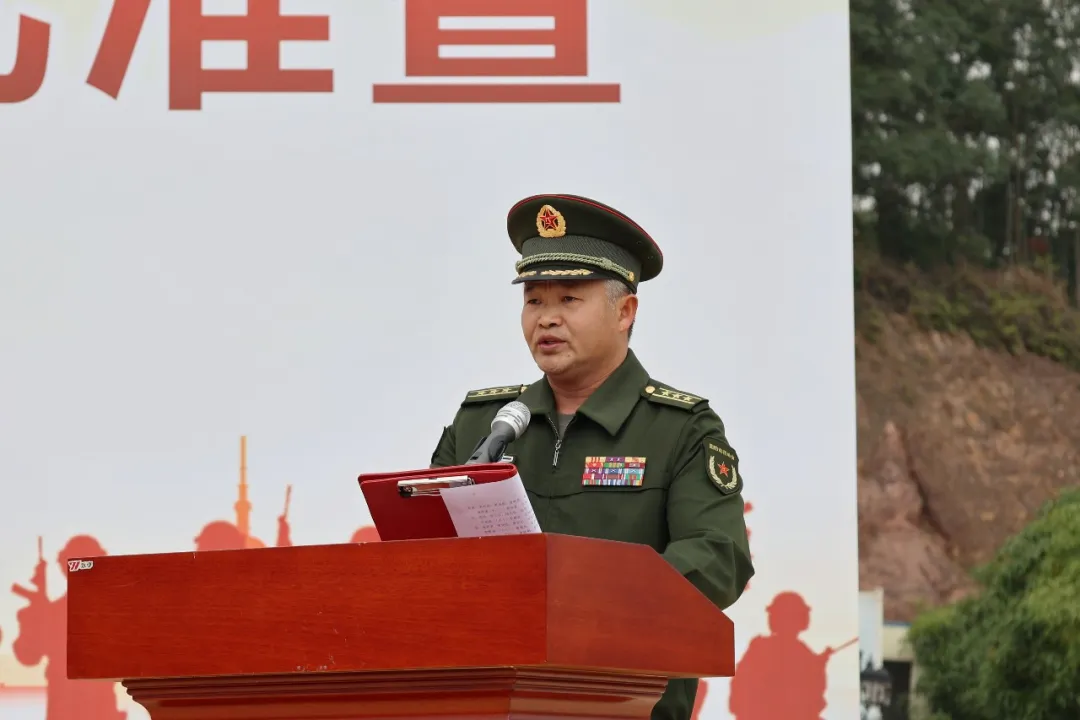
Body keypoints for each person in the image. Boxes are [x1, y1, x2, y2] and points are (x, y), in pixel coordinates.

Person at [429, 193, 754, 720]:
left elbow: (719, 558)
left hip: (626, 703)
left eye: (569, 299)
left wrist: (586, 602)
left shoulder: (680, 429)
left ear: (625, 311)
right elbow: (420, 556)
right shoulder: (482, 425)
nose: (547, 320)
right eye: (534, 301)